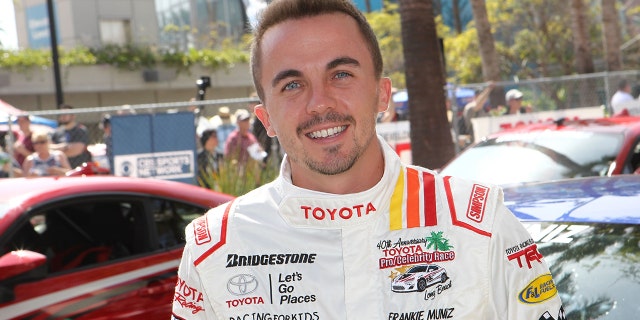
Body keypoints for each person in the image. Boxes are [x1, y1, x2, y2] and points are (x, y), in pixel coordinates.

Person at [172, 1, 565, 319]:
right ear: (266, 118)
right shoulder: (215, 248)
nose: (319, 102)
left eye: (340, 74)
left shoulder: (479, 223)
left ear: (382, 94)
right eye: (292, 84)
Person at [50, 104, 92, 169]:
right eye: (61, 114)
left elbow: (77, 150)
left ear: (73, 116)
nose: (63, 117)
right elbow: (49, 148)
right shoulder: (57, 132)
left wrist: (59, 152)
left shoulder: (80, 130)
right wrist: (64, 147)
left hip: (80, 167)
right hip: (62, 169)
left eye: (65, 114)